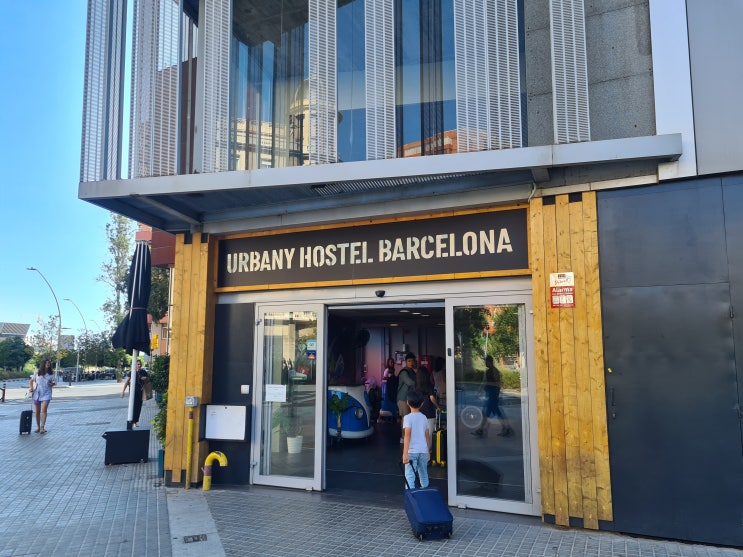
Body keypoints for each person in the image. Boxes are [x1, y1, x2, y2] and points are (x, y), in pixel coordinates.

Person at [473, 355, 513, 437]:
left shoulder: (495, 371)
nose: (485, 363)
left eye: (486, 362)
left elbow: (497, 383)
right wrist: (479, 391)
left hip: (493, 395)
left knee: (487, 412)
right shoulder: (487, 371)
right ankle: (506, 428)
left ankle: (481, 430)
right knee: (496, 412)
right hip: (490, 394)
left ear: (490, 362)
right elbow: (484, 382)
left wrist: (496, 394)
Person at [402, 389, 430, 489]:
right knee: (423, 474)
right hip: (423, 451)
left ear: (407, 402)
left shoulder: (407, 418)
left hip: (412, 452)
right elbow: (427, 436)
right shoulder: (424, 417)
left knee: (410, 476)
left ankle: (411, 495)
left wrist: (405, 453)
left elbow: (407, 436)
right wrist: (428, 451)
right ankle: (425, 492)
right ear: (422, 404)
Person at [29, 359, 55, 433]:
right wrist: (31, 388)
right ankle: (38, 427)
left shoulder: (51, 374)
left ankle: (42, 427)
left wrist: (52, 384)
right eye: (46, 363)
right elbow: (31, 381)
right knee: (37, 412)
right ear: (43, 364)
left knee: (44, 410)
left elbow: (54, 382)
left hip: (47, 393)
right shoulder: (37, 372)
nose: (48, 364)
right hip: (37, 393)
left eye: (49, 363)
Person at [396, 353, 417, 442]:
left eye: (412, 361)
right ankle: (403, 437)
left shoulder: (412, 372)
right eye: (409, 361)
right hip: (402, 399)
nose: (411, 363)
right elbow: (410, 382)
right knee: (405, 418)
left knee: (409, 419)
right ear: (405, 362)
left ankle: (408, 437)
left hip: (409, 399)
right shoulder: (404, 372)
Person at [121, 360, 150, 427]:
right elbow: (127, 382)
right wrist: (123, 391)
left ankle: (136, 421)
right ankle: (132, 421)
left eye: (140, 364)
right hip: (133, 392)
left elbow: (148, 381)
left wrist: (145, 378)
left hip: (141, 391)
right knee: (133, 406)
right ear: (135, 365)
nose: (139, 365)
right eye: (138, 364)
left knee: (138, 407)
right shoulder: (132, 372)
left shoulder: (143, 372)